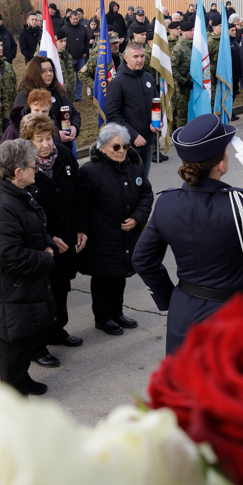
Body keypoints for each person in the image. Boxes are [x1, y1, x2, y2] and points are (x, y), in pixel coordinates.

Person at [132, 114, 243, 353]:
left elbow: (142, 259)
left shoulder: (166, 202)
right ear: (221, 165)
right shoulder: (237, 207)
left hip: (184, 312)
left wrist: (172, 298)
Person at [0, 139, 60, 396]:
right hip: (7, 291)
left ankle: (23, 381)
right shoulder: (1, 205)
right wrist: (46, 257)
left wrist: (48, 241)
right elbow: (11, 256)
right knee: (13, 350)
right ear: (18, 172)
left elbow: (29, 230)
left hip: (19, 288)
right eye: (33, 166)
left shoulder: (16, 193)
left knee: (23, 343)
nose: (37, 170)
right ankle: (14, 399)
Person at [20, 113, 85, 365]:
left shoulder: (64, 155)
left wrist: (80, 227)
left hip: (66, 236)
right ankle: (37, 347)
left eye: (48, 138)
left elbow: (78, 193)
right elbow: (20, 213)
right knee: (39, 294)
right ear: (28, 141)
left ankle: (57, 330)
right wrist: (46, 238)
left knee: (61, 287)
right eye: (39, 139)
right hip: (38, 242)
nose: (46, 144)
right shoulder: (21, 166)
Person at [78, 123, 153, 336]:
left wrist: (137, 218)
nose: (121, 151)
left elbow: (146, 194)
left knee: (120, 274)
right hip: (102, 236)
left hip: (126, 234)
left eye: (126, 146)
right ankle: (103, 318)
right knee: (103, 277)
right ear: (103, 148)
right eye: (116, 147)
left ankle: (117, 312)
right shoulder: (90, 172)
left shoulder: (134, 166)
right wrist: (83, 230)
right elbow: (80, 205)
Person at [105, 42, 159, 179]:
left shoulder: (148, 78)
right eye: (135, 56)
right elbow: (112, 114)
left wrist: (157, 121)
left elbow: (156, 103)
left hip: (148, 141)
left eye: (142, 56)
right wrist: (133, 135)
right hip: (129, 144)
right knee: (129, 181)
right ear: (126, 58)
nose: (140, 60)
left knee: (144, 180)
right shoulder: (118, 82)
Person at [14, 56, 80, 148]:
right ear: (34, 73)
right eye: (43, 71)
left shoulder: (59, 91)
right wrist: (56, 136)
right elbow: (22, 125)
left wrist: (74, 127)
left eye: (51, 70)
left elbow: (74, 113)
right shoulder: (25, 95)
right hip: (40, 149)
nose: (49, 74)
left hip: (65, 147)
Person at [60, 10, 91, 100]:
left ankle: (78, 96)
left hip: (81, 57)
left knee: (80, 78)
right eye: (74, 19)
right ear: (70, 18)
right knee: (68, 78)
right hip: (69, 58)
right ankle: (67, 96)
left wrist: (86, 52)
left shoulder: (83, 28)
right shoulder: (64, 29)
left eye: (77, 19)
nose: (76, 21)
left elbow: (87, 41)